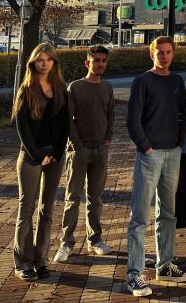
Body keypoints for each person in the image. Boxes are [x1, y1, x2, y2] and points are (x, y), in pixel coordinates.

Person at [126, 36, 186, 296]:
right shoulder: (142, 81)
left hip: (172, 153)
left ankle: (164, 265)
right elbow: (133, 120)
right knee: (140, 216)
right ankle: (134, 275)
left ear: (173, 54)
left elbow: (184, 114)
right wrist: (146, 147)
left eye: (168, 52)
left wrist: (178, 142)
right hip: (150, 155)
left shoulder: (176, 81)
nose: (164, 56)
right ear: (151, 54)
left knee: (168, 213)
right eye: (159, 52)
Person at [13, 42, 69, 281]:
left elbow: (65, 125)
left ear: (54, 63)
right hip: (30, 157)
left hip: (55, 155)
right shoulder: (26, 90)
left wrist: (55, 153)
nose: (44, 63)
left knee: (47, 209)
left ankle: (41, 260)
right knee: (26, 210)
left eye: (48, 59)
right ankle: (22, 262)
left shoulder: (60, 89)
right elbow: (22, 130)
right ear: (33, 63)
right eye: (40, 59)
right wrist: (38, 156)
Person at [54, 45, 115, 263]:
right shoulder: (75, 87)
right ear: (87, 63)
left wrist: (108, 138)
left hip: (101, 150)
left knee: (95, 199)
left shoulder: (107, 87)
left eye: (103, 60)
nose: (100, 64)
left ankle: (95, 240)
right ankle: (66, 242)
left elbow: (110, 114)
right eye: (96, 60)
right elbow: (67, 119)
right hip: (79, 151)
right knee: (72, 198)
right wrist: (77, 144)